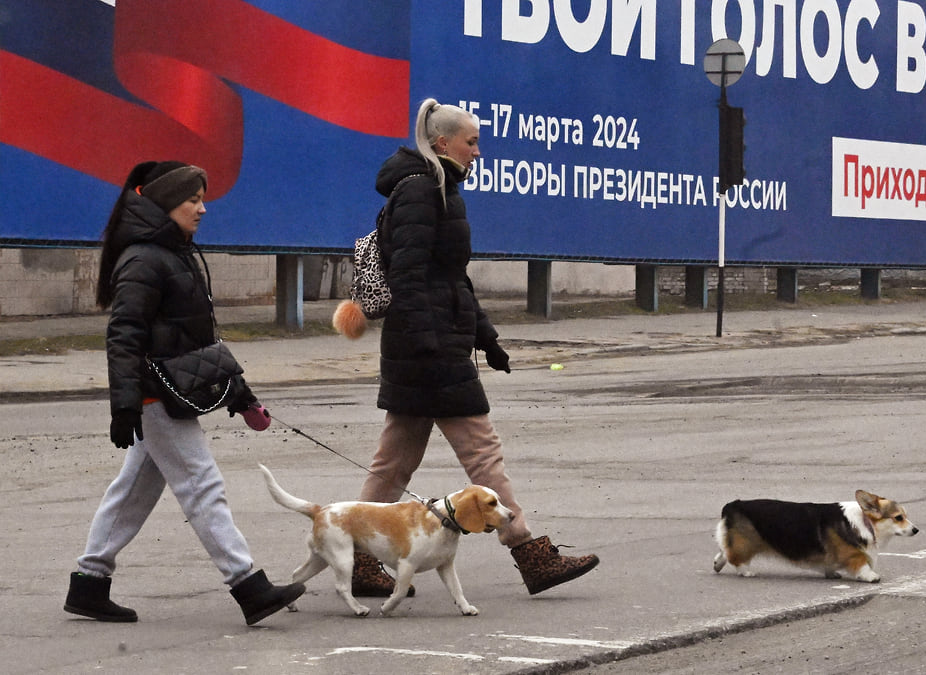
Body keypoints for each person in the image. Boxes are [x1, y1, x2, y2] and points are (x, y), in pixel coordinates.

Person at [339, 98, 599, 596]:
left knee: (392, 465)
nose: (478, 151)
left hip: (428, 344)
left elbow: (450, 277)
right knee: (483, 454)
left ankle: (355, 559)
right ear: (443, 143)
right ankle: (529, 553)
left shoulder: (436, 188)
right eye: (471, 142)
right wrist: (432, 344)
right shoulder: (421, 191)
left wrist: (486, 336)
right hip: (430, 349)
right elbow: (409, 278)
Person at [64, 161, 305, 625]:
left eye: (201, 198)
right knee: (202, 486)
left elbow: (197, 340)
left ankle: (89, 583)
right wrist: (125, 404)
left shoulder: (174, 254)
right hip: (157, 395)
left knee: (133, 490)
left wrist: (241, 394)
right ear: (165, 204)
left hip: (166, 392)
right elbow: (124, 335)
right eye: (192, 200)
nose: (202, 208)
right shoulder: (145, 259)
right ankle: (249, 587)